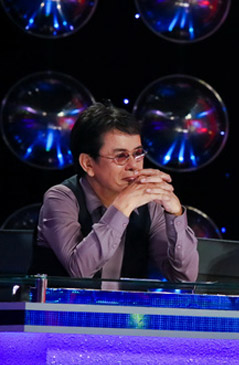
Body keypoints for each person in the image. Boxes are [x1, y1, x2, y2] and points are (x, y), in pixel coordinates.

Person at [30, 101, 199, 283]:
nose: (134, 166)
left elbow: (184, 278)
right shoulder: (60, 199)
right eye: (121, 156)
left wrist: (175, 214)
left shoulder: (150, 205)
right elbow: (79, 270)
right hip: (61, 302)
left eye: (138, 153)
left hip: (127, 303)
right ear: (88, 164)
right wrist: (122, 207)